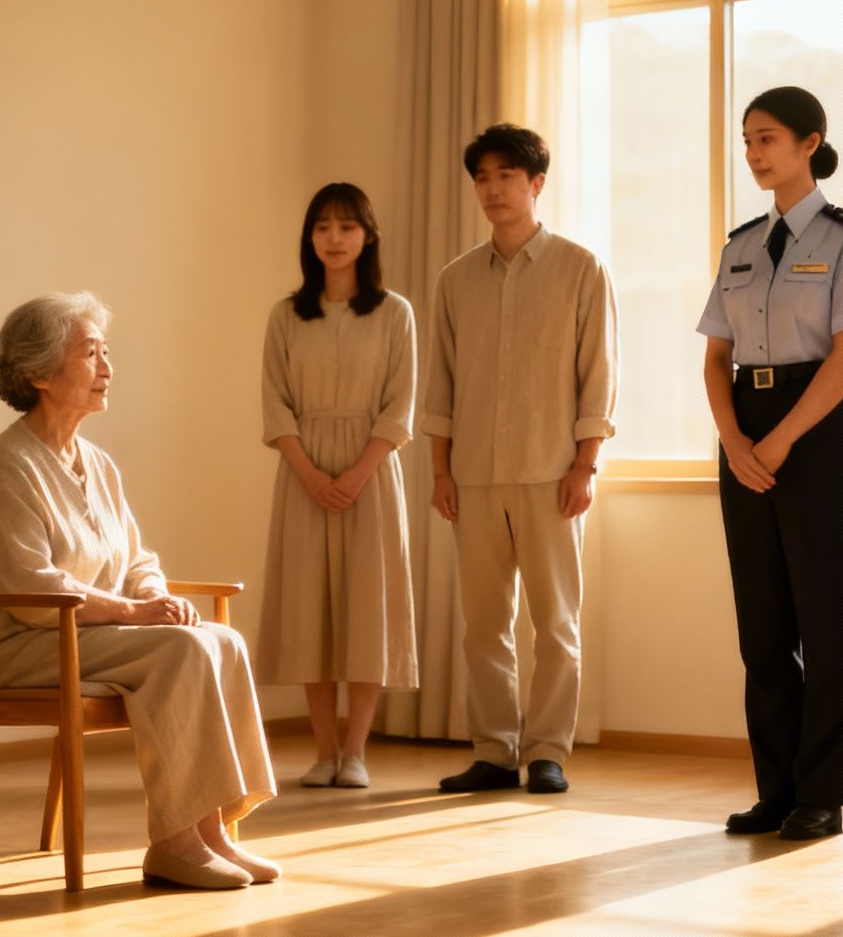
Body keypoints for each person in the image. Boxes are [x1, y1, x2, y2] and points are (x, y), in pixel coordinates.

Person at [0, 292, 281, 889]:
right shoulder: (5, 464)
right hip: (18, 645)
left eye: (107, 352)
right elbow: (29, 586)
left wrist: (158, 597)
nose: (107, 367)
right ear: (40, 374)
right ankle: (174, 843)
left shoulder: (98, 464)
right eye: (91, 353)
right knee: (181, 651)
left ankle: (214, 836)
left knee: (220, 640)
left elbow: (136, 559)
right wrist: (135, 611)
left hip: (92, 633)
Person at [697, 86, 843, 841]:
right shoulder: (739, 246)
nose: (754, 153)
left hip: (817, 429)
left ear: (811, 143)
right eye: (747, 140)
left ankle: (821, 794)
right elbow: (716, 358)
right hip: (745, 424)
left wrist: (780, 441)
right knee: (763, 627)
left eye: (768, 138)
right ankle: (774, 789)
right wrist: (737, 441)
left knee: (824, 619)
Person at [424, 124, 618, 796]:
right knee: (483, 626)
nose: (493, 189)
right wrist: (441, 472)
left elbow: (599, 376)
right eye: (482, 177)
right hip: (473, 476)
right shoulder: (454, 281)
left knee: (556, 623)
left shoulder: (580, 268)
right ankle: (493, 750)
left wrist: (585, 465)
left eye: (507, 176)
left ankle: (546, 752)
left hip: (552, 472)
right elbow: (440, 385)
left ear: (536, 184)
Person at [258, 183, 419, 790]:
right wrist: (309, 474)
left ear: (367, 236)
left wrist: (353, 475)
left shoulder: (394, 312)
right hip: (302, 476)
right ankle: (323, 751)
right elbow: (275, 407)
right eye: (322, 227)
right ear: (309, 237)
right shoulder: (285, 315)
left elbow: (399, 409)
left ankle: (355, 751)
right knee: (309, 613)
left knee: (366, 609)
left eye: (346, 227)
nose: (334, 238)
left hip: (370, 475)